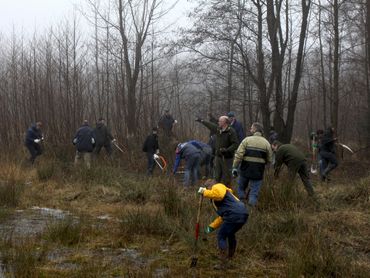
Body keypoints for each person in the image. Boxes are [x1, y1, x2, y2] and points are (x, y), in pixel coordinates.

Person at [198, 180, 248, 270]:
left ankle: (223, 263)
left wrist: (204, 192)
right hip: (242, 213)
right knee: (230, 233)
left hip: (234, 214)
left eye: (207, 188)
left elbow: (219, 195)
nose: (208, 190)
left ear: (210, 186)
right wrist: (209, 228)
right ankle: (230, 257)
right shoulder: (228, 197)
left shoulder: (218, 186)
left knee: (221, 236)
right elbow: (223, 217)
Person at [232, 122, 273, 208]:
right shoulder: (266, 143)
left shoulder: (246, 140)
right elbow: (270, 159)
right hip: (258, 172)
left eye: (251, 128)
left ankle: (242, 204)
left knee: (240, 188)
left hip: (245, 170)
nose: (250, 130)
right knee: (254, 193)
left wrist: (235, 167)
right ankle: (251, 210)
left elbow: (239, 155)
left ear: (255, 130)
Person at [196, 116, 239, 186]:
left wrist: (227, 150)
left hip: (227, 158)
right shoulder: (218, 129)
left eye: (220, 121)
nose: (218, 122)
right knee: (216, 176)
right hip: (218, 157)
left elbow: (236, 144)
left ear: (225, 122)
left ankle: (227, 193)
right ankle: (216, 193)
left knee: (226, 177)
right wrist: (202, 120)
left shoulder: (231, 131)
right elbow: (210, 125)